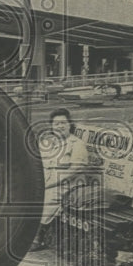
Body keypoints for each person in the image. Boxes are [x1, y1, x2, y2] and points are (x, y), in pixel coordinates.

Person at [32, 107, 95, 250]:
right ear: (52, 126)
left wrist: (49, 184)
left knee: (47, 197)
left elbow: (76, 169)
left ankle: (38, 238)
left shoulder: (76, 144)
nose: (60, 126)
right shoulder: (50, 144)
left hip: (69, 183)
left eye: (63, 123)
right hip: (49, 180)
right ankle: (24, 233)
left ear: (69, 125)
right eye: (56, 124)